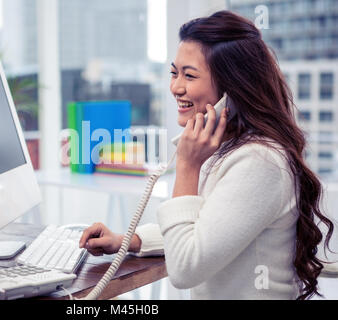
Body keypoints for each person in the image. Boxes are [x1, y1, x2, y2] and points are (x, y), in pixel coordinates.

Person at [78, 10, 334, 300]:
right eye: (174, 73)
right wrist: (129, 241)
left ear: (232, 87)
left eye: (190, 75)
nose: (175, 87)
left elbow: (185, 268)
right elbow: (207, 228)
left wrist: (187, 165)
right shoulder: (225, 147)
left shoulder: (259, 162)